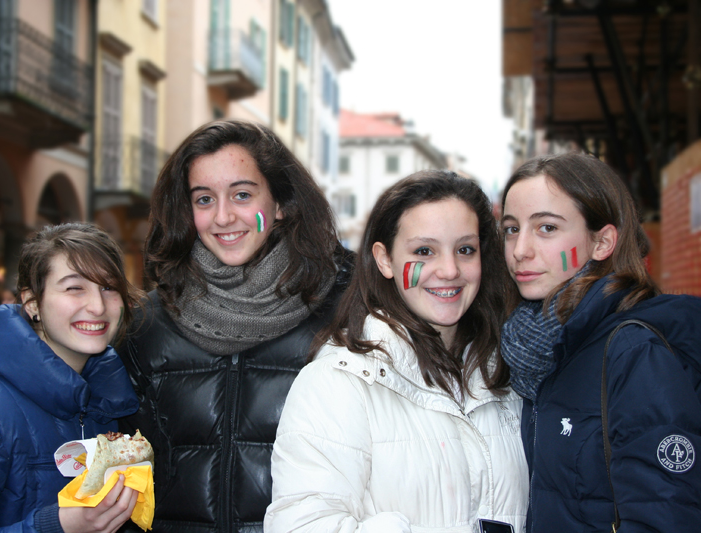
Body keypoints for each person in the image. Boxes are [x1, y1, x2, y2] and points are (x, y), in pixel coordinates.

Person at [117, 119, 352, 532]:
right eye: (204, 199)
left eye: (242, 195)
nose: (223, 217)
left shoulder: (343, 314)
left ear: (280, 205)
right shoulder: (147, 324)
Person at [264, 171, 528, 532]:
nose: (449, 270)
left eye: (465, 250)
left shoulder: (510, 377)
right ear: (385, 260)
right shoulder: (339, 381)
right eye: (424, 251)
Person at [500, 152, 701, 532]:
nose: (520, 249)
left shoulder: (635, 352)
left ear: (602, 242)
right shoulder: (537, 350)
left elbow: (663, 518)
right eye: (512, 228)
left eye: (546, 228)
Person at [0, 223, 145, 533]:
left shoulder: (103, 404)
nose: (97, 306)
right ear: (33, 303)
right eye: (75, 288)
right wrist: (55, 526)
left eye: (109, 287)